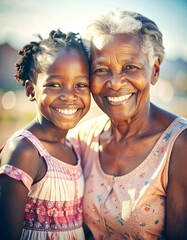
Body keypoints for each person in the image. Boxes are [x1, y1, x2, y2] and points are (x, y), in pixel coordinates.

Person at [68, 9, 187, 240]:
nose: (115, 83)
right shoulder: (82, 140)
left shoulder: (179, 146)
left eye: (130, 67)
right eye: (101, 70)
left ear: (154, 71)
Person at [0, 30, 91, 240]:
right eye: (54, 84)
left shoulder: (74, 148)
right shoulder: (24, 151)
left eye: (80, 85)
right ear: (31, 90)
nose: (69, 95)